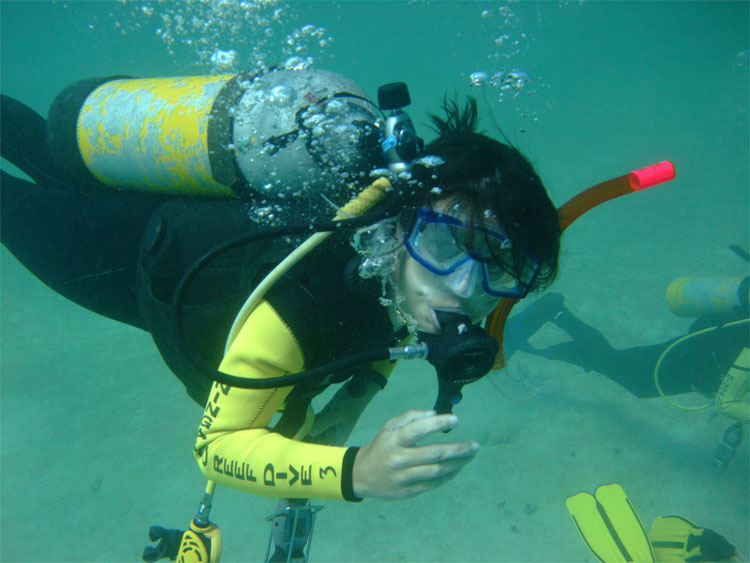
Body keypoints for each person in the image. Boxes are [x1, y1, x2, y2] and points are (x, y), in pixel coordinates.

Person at [0, 67, 561, 511]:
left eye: (502, 268)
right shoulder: (301, 298)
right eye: (444, 246)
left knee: (38, 149)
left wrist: (355, 396)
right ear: (400, 219)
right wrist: (355, 471)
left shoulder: (393, 265)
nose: (463, 288)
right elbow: (216, 447)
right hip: (118, 256)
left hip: (177, 210)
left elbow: (395, 320)